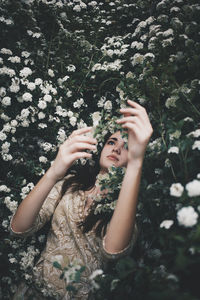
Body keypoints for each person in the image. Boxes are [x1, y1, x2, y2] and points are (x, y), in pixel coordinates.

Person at [10, 100, 153, 299]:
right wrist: (54, 171)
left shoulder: (129, 206)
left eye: (127, 146)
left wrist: (137, 162)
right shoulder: (71, 184)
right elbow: (19, 228)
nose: (117, 149)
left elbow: (112, 250)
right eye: (112, 142)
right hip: (33, 292)